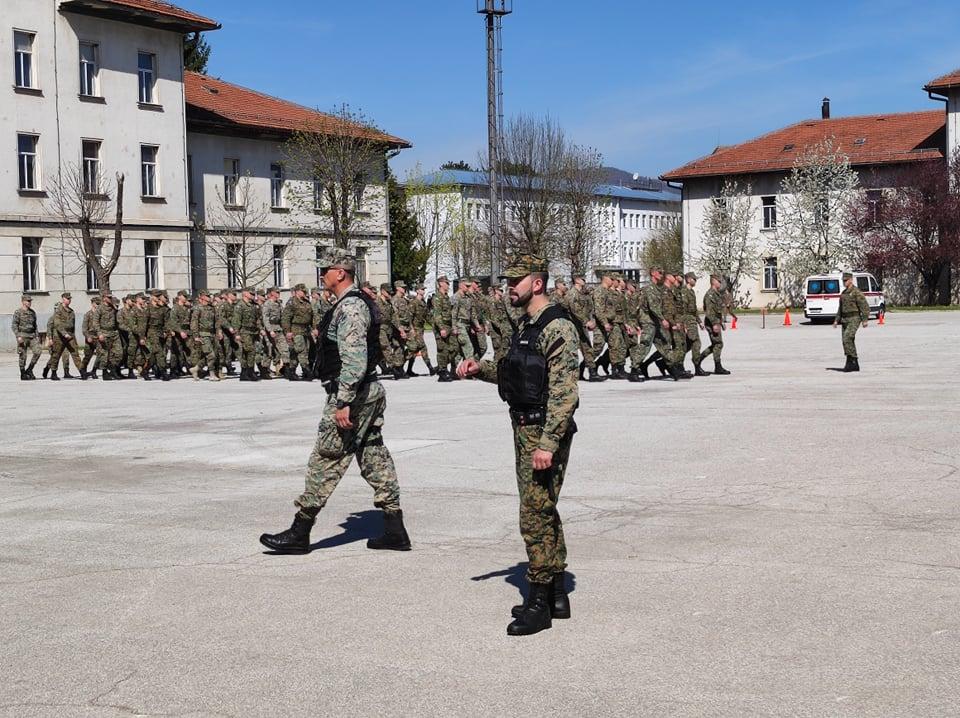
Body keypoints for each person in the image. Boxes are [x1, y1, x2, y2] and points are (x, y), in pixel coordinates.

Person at [457, 254, 578, 637]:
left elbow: (563, 392)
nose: (509, 286)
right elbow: (518, 375)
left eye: (516, 280)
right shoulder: (527, 325)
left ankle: (538, 601)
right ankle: (557, 593)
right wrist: (481, 370)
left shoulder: (557, 327)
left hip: (543, 431)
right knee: (542, 508)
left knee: (533, 514)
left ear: (536, 284)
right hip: (525, 427)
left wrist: (548, 443)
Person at [260, 248, 411, 554]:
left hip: (353, 395)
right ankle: (395, 529)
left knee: (326, 457)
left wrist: (343, 401)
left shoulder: (351, 308)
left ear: (340, 272)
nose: (322, 274)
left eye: (326, 269)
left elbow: (354, 359)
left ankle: (300, 531)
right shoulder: (348, 304)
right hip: (365, 392)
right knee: (373, 455)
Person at [833, 271, 870, 372]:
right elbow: (840, 308)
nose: (844, 282)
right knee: (846, 341)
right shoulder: (844, 294)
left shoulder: (856, 292)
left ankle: (852, 361)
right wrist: (836, 320)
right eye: (843, 280)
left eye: (846, 280)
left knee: (847, 338)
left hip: (854, 318)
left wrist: (865, 319)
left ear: (851, 280)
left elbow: (865, 306)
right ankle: (852, 362)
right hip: (844, 319)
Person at [48, 292, 83, 380]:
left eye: (70, 299)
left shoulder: (71, 311)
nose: (69, 300)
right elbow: (57, 324)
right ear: (63, 299)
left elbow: (73, 325)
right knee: (56, 354)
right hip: (59, 336)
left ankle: (82, 372)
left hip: (70, 335)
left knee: (75, 353)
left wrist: (73, 336)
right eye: (67, 299)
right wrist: (64, 334)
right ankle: (53, 373)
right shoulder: (58, 310)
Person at [700, 275, 730, 375]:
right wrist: (714, 324)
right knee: (718, 344)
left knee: (717, 344)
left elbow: (718, 311)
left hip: (716, 322)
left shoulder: (716, 294)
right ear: (714, 282)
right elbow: (709, 312)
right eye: (719, 281)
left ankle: (698, 360)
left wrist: (721, 323)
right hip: (711, 323)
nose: (720, 283)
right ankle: (717, 366)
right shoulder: (710, 295)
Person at [680, 272, 708, 377]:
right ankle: (696, 367)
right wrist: (684, 325)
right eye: (694, 279)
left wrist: (699, 321)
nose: (695, 281)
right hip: (687, 320)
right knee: (696, 343)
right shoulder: (684, 292)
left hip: (692, 320)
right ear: (688, 279)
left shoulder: (691, 292)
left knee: (686, 346)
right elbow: (683, 310)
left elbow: (694, 309)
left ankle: (671, 364)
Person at [431, 276, 456, 382]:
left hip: (449, 326)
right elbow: (437, 315)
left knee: (454, 348)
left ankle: (441, 367)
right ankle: (442, 371)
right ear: (441, 284)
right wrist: (441, 328)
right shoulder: (437, 297)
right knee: (442, 350)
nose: (448, 285)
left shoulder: (446, 297)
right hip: (441, 327)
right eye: (446, 283)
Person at [94, 293, 123, 380]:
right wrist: (99, 333)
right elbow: (95, 322)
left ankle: (113, 370)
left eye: (111, 297)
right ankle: (104, 372)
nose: (111, 299)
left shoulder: (113, 308)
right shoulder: (100, 309)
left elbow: (117, 320)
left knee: (119, 353)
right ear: (104, 298)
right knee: (104, 354)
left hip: (114, 333)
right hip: (104, 333)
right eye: (109, 297)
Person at [12, 295, 41, 380]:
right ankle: (22, 373)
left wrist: (37, 336)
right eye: (28, 301)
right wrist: (18, 336)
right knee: (23, 355)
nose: (29, 302)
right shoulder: (18, 312)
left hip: (32, 336)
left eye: (30, 301)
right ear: (23, 302)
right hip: (22, 336)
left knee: (38, 351)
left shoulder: (32, 312)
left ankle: (29, 369)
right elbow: (14, 325)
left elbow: (35, 325)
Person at [81, 296, 102, 380]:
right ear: (92, 304)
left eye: (99, 304)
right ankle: (83, 371)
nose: (98, 305)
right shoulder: (88, 314)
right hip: (90, 337)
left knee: (100, 355)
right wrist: (88, 336)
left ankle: (94, 371)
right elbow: (84, 328)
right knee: (87, 356)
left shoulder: (100, 314)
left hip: (98, 337)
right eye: (97, 304)